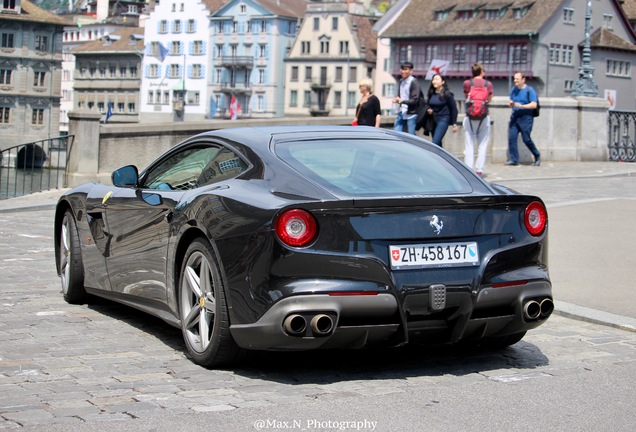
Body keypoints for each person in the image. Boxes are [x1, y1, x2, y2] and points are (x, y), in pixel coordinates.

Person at [463, 63, 494, 176]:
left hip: (469, 116)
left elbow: (466, 98)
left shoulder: (467, 83)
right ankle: (479, 169)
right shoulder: (488, 84)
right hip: (484, 116)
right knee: (483, 144)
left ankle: (468, 169)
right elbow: (489, 100)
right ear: (481, 71)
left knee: (469, 144)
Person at [507, 72, 541, 166]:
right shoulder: (513, 90)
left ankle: (537, 155)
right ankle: (514, 159)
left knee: (526, 139)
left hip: (526, 117)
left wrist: (522, 106)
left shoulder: (529, 90)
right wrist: (511, 104)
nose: (515, 81)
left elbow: (534, 104)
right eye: (514, 79)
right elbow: (511, 102)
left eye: (517, 79)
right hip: (515, 116)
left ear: (523, 79)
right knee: (512, 138)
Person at [425, 74, 458, 147]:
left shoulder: (447, 94)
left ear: (442, 82)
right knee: (438, 145)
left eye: (437, 79)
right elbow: (427, 104)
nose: (434, 81)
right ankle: (441, 158)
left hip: (443, 119)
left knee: (435, 142)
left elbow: (453, 109)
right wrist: (428, 109)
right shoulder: (431, 93)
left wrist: (454, 123)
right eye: (433, 79)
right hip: (433, 120)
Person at [393, 61, 421, 135]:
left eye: (406, 69)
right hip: (401, 111)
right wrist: (396, 99)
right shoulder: (401, 81)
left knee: (411, 136)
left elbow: (415, 100)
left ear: (411, 71)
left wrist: (402, 101)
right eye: (402, 69)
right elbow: (400, 95)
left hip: (411, 114)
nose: (403, 71)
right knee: (396, 134)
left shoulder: (414, 82)